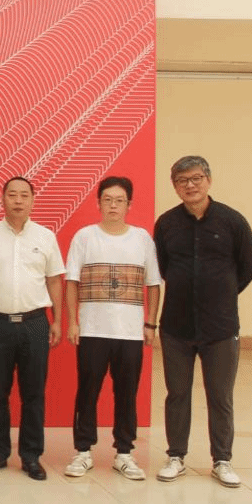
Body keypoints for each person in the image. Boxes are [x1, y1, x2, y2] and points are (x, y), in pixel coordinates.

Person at [153, 156, 252, 488]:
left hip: (221, 328)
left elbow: (249, 265)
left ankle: (222, 460)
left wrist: (222, 293)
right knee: (177, 393)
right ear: (175, 186)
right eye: (182, 180)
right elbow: (163, 266)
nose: (190, 185)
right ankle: (176, 456)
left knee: (220, 396)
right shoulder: (166, 223)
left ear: (208, 180)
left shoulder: (232, 221)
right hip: (176, 326)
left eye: (196, 178)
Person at [63, 176, 162, 481]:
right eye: (107, 200)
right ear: (98, 203)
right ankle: (83, 451)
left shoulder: (142, 239)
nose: (113, 206)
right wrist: (73, 321)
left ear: (129, 204)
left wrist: (150, 323)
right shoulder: (85, 237)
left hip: (129, 333)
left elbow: (153, 283)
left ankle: (124, 453)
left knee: (127, 393)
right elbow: (71, 281)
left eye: (120, 200)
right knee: (87, 391)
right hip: (92, 330)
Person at [0, 176, 65, 481]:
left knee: (33, 393)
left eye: (24, 195)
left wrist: (57, 319)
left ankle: (31, 455)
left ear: (33, 200)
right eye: (12, 195)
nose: (18, 200)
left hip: (35, 323)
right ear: (3, 199)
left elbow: (54, 280)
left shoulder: (46, 236)